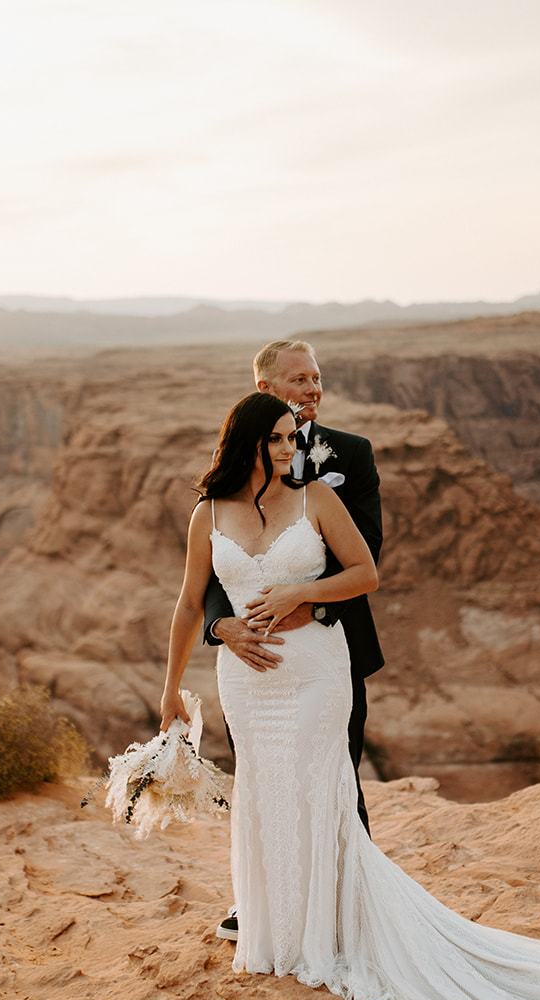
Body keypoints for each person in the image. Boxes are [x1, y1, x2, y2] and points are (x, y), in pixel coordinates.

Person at [157, 391, 540, 1000]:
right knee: (265, 792)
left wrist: (301, 590)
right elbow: (186, 604)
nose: (292, 449)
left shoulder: (315, 498)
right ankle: (277, 934)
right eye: (280, 439)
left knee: (317, 791)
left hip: (316, 668)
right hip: (245, 679)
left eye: (295, 438)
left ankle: (329, 935)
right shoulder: (206, 513)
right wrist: (172, 685)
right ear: (249, 444)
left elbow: (364, 573)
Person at [204, 339, 383, 943]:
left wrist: (299, 595)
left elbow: (366, 552)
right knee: (262, 775)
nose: (313, 389)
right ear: (265, 391)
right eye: (300, 379)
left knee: (333, 776)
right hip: (250, 657)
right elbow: (214, 565)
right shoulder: (233, 461)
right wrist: (218, 625)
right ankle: (265, 904)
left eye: (317, 378)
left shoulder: (350, 455)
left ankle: (345, 902)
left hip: (327, 647)